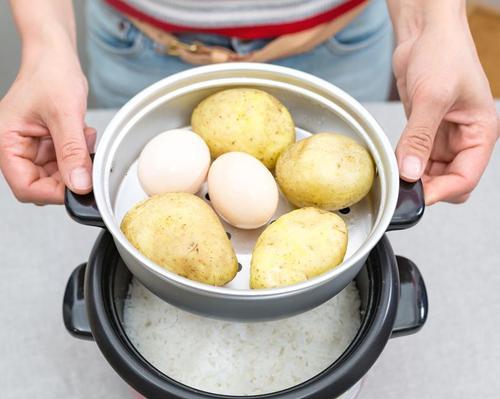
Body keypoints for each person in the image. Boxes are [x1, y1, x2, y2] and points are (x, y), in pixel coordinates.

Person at [0, 0, 497, 206]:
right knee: (130, 187)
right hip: (138, 45)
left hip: (338, 42)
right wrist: (45, 42)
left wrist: (435, 24)